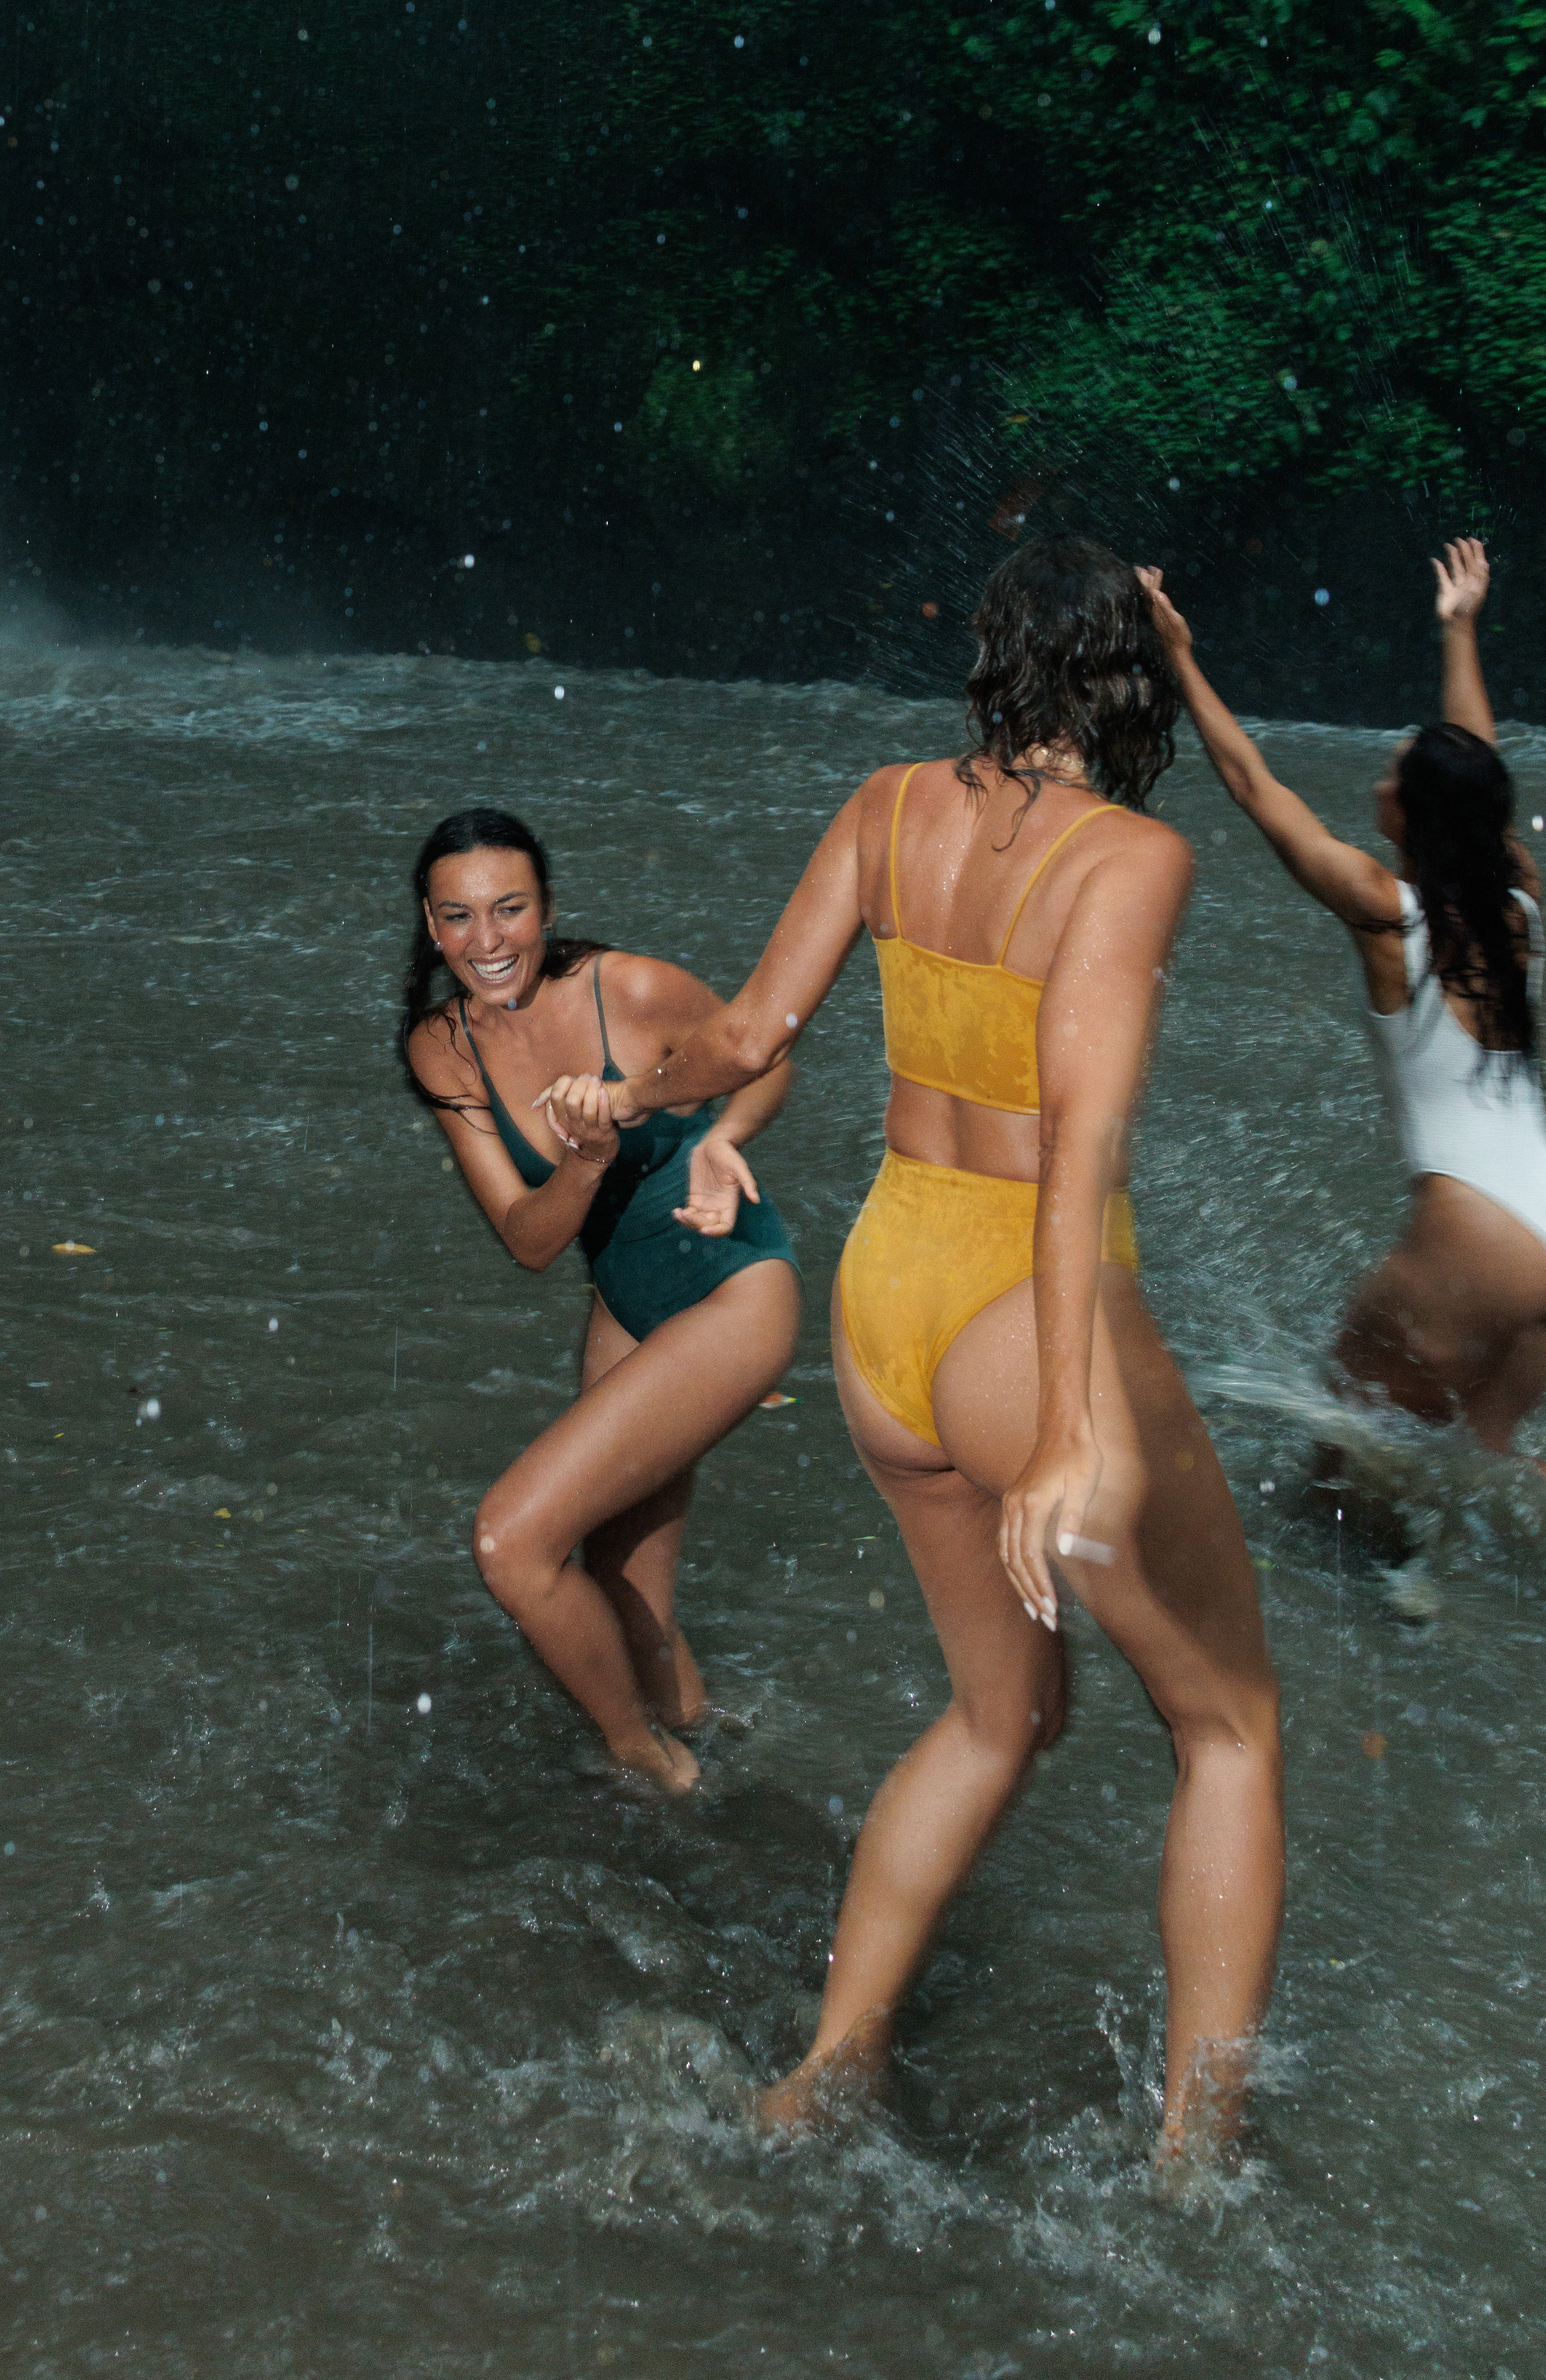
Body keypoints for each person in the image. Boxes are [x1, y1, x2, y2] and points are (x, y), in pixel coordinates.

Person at [537, 542, 1283, 2177]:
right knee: (1229, 1728)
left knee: (998, 1715)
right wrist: (1072, 1426)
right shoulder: (1130, 857)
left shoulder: (885, 808)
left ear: (995, 660)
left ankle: (825, 2070)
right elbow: (1081, 1140)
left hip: (889, 1299)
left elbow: (746, 1035)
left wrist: (629, 1093)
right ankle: (1196, 2166)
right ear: (1129, 678)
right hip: (1024, 1308)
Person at [400, 805, 798, 1795]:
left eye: (509, 909)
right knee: (618, 1586)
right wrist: (584, 1164)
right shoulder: (443, 1048)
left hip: (732, 1284)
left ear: (546, 908)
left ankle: (646, 1762)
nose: (487, 941)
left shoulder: (628, 989)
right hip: (625, 1297)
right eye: (458, 916)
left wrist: (723, 1138)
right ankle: (715, 1760)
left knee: (512, 1541)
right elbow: (530, 1241)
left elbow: (763, 1053)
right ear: (430, 925)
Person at [1145, 538, 1546, 1457]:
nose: (1377, 783)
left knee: (1340, 1454)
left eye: (1393, 775)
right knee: (1478, 1467)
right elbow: (1476, 772)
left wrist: (1178, 654)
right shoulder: (1516, 904)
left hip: (1476, 1241)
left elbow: (1251, 783)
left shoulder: (1385, 914)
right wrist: (1459, 631)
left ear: (1414, 813)